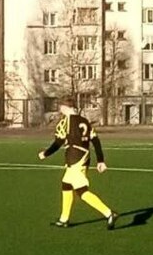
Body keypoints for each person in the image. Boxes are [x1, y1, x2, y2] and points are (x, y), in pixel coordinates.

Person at [37, 99, 117, 230]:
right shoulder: (84, 121)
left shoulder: (66, 121)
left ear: (65, 107)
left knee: (82, 191)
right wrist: (100, 160)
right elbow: (95, 141)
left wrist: (46, 153)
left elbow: (58, 142)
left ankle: (108, 213)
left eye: (61, 107)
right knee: (66, 185)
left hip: (74, 158)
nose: (60, 110)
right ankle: (64, 219)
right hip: (84, 157)